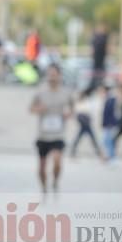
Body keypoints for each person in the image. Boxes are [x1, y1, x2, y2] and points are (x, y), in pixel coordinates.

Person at [30, 64, 74, 193]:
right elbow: (31, 108)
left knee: (57, 160)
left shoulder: (66, 92)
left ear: (59, 76)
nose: (52, 77)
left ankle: (55, 180)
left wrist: (68, 114)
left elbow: (73, 108)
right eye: (50, 74)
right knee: (42, 167)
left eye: (54, 75)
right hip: (43, 134)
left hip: (58, 134)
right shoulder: (40, 91)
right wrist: (39, 109)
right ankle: (44, 186)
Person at [81, 23, 109, 98]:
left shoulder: (102, 37)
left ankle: (92, 91)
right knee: (96, 79)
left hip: (100, 62)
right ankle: (90, 92)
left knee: (98, 78)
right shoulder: (97, 38)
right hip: (97, 62)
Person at [100, 85, 119, 160]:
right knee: (106, 141)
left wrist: (109, 123)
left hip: (109, 124)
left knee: (108, 141)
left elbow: (111, 113)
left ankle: (112, 156)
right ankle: (110, 156)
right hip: (107, 124)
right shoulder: (107, 99)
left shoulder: (111, 100)